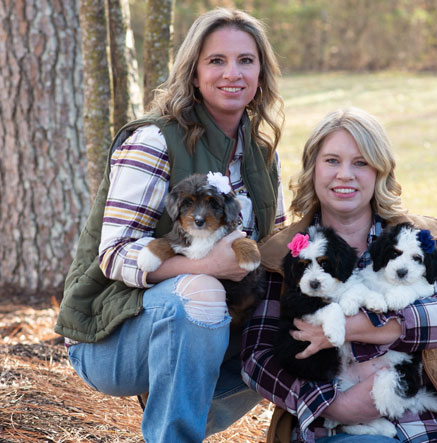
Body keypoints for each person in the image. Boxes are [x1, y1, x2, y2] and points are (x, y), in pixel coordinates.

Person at [55, 8, 286, 441]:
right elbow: (114, 255)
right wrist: (207, 267)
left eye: (246, 60)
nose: (232, 73)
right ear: (194, 73)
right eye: (216, 60)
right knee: (201, 291)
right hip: (111, 333)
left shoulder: (260, 155)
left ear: (261, 73)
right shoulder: (154, 141)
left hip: (210, 327)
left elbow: (273, 246)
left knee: (294, 314)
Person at [241, 108, 437, 443]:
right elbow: (256, 358)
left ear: (380, 171)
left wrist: (354, 328)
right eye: (332, 161)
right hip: (344, 429)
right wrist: (334, 405)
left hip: (435, 424)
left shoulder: (418, 238)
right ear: (313, 168)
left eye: (360, 162)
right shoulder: (284, 254)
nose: (345, 174)